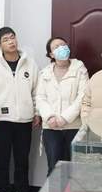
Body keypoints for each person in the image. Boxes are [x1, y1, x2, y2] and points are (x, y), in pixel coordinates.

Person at [0, 27, 39, 192]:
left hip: (24, 120)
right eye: (6, 40)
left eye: (12, 37)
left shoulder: (30, 64)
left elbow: (37, 91)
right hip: (2, 120)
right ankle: (1, 191)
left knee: (22, 159)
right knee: (2, 159)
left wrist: (37, 112)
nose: (11, 42)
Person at [35, 37, 89, 175]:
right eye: (56, 47)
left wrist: (64, 118)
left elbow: (83, 96)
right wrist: (50, 117)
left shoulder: (79, 69)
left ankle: (71, 191)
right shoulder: (45, 73)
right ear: (51, 54)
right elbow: (40, 98)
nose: (61, 48)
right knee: (54, 168)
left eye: (63, 45)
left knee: (74, 169)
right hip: (51, 127)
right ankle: (54, 191)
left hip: (73, 126)